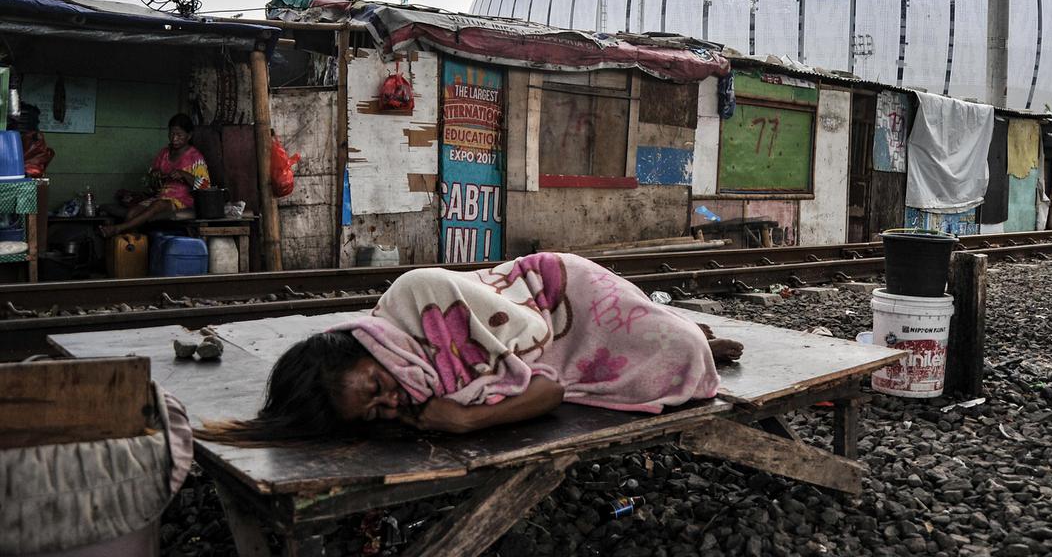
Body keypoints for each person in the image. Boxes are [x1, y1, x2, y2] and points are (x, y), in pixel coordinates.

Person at [198, 253, 743, 443]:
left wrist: (467, 422)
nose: (390, 402)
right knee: (677, 357)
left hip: (555, 295)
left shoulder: (416, 295)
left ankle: (686, 334)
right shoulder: (411, 388)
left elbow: (540, 366)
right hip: (556, 350)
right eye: (374, 412)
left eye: (375, 387)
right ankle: (675, 332)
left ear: (359, 345)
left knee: (687, 352)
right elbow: (544, 384)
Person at [101, 114, 209, 237]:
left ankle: (118, 229)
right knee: (132, 213)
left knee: (157, 205)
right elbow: (150, 180)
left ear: (189, 136)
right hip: (160, 197)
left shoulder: (195, 157)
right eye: (171, 134)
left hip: (183, 201)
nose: (174, 139)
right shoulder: (164, 153)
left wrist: (184, 175)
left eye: (179, 135)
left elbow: (205, 187)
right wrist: (155, 176)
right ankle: (133, 250)